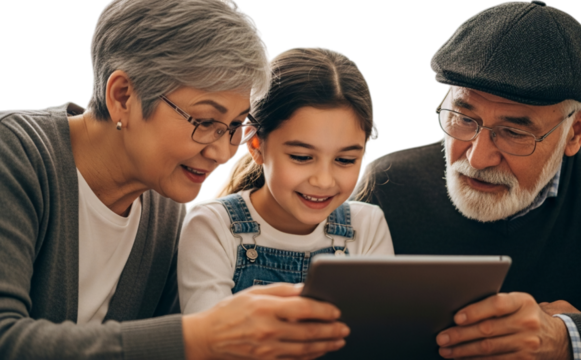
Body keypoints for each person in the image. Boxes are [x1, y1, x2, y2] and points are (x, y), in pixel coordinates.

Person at [0, 1, 350, 359]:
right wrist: (200, 337)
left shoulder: (167, 209)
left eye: (234, 128)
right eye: (203, 122)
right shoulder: (14, 153)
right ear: (123, 96)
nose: (221, 152)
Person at [352, 1, 581, 359]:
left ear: (576, 131)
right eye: (463, 119)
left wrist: (566, 338)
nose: (478, 158)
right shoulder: (388, 184)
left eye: (514, 132)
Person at [178, 47, 395, 314]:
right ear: (256, 144)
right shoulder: (211, 226)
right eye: (302, 157)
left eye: (345, 160)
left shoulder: (368, 226)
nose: (324, 181)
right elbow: (209, 346)